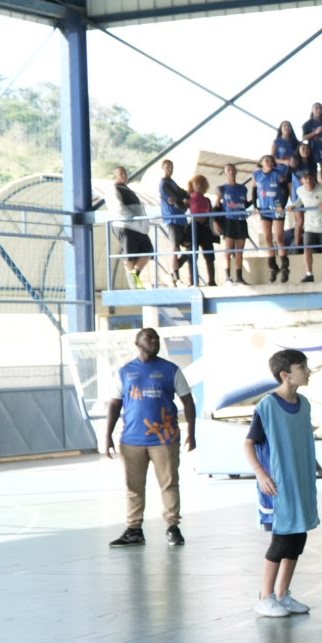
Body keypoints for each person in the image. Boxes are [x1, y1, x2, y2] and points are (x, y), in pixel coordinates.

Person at [244, 349, 322, 616]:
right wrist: (260, 473)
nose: (308, 371)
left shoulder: (304, 403)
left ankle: (283, 594)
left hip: (301, 482)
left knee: (298, 539)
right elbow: (249, 443)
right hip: (278, 485)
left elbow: (304, 443)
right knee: (282, 541)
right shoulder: (267, 406)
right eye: (302, 367)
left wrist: (320, 469)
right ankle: (265, 596)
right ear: (286, 374)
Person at [104, 328, 197, 547]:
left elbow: (188, 402)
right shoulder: (125, 372)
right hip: (132, 440)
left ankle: (173, 527)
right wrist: (107, 435)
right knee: (134, 486)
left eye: (156, 338)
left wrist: (192, 432)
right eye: (149, 338)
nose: (153, 341)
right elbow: (115, 404)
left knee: (169, 483)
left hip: (164, 438)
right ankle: (134, 529)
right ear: (138, 343)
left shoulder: (170, 370)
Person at [253, 154, 289, 283]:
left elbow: (286, 190)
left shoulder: (278, 174)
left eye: (270, 160)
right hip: (264, 209)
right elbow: (254, 190)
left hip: (277, 208)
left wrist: (283, 205)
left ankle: (285, 266)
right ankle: (272, 267)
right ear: (261, 162)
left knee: (279, 237)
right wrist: (255, 206)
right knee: (267, 238)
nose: (268, 162)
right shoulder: (256, 175)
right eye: (266, 160)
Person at [292, 166, 322, 283]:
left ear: (314, 178)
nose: (308, 180)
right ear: (302, 180)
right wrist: (294, 205)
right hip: (309, 226)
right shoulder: (300, 190)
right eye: (305, 178)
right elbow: (300, 200)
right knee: (307, 249)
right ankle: (309, 274)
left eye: (310, 177)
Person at [215, 164, 250, 285]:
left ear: (236, 171)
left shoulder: (243, 189)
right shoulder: (222, 189)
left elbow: (244, 204)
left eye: (232, 169)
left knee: (239, 251)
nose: (231, 172)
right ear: (225, 173)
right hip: (229, 220)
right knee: (228, 250)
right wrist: (215, 222)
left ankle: (239, 277)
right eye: (228, 170)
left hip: (241, 220)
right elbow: (216, 206)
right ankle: (227, 277)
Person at [185, 173, 218, 287]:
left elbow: (210, 213)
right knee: (193, 254)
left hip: (205, 227)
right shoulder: (189, 198)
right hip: (194, 226)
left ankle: (212, 280)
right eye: (196, 183)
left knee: (209, 254)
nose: (199, 186)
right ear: (192, 185)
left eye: (201, 184)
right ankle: (193, 281)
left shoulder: (207, 199)